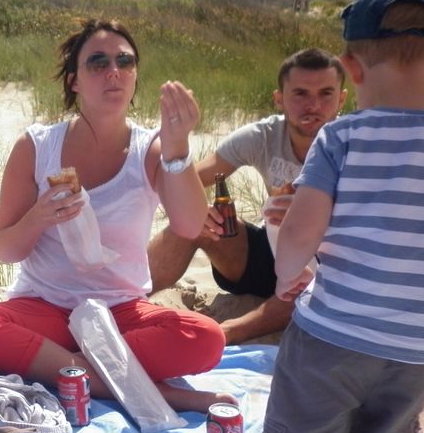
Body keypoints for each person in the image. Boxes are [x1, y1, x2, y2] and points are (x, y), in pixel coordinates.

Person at [241, 0, 424, 433]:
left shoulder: (342, 138)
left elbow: (299, 234)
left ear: (352, 68)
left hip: (332, 334)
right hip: (413, 344)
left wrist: (290, 279)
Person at [0, 18, 231, 413]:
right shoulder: (36, 146)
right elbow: (6, 249)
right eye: (97, 63)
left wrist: (178, 148)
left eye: (125, 61)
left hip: (119, 312)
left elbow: (188, 225)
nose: (114, 72)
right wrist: (39, 217)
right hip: (45, 307)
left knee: (206, 338)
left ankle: (68, 372)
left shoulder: (150, 148)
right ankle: (145, 390)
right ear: (74, 81)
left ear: (135, 77)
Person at [146, 47, 348, 343]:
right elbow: (187, 178)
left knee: (309, 283)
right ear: (279, 98)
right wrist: (193, 205)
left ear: (342, 98)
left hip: (328, 265)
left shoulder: (357, 145)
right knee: (193, 225)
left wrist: (315, 214)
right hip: (270, 252)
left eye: (326, 94)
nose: (313, 105)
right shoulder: (263, 136)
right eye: (300, 94)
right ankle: (123, 299)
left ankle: (222, 334)